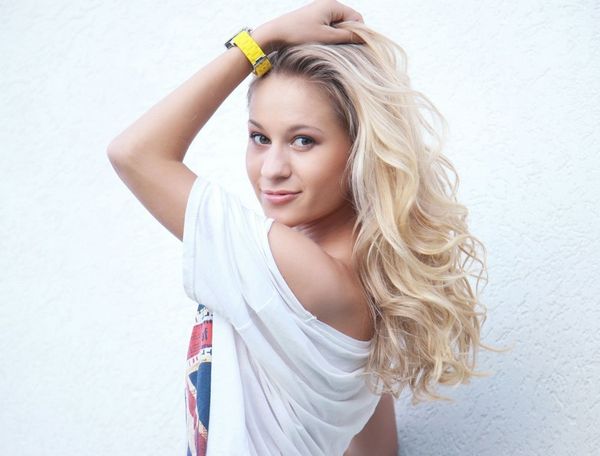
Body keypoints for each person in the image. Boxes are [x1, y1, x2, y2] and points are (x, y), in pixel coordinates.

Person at [107, 1, 490, 455]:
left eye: (303, 141)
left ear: (360, 150)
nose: (272, 169)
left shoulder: (298, 269)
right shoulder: (364, 286)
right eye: (259, 137)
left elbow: (134, 153)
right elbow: (377, 450)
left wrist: (259, 40)